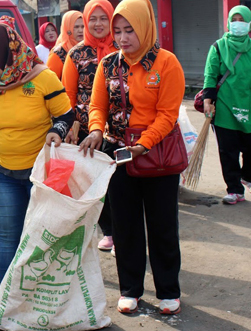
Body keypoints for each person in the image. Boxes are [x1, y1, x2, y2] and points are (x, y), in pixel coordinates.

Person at [0, 16, 74, 320]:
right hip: (4, 173)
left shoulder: (42, 78)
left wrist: (56, 131)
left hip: (40, 174)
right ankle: (6, 298)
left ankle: (45, 299)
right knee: (8, 237)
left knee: (43, 236)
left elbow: (67, 116)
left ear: (7, 53)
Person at [85, 0, 185, 315]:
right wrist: (96, 130)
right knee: (125, 226)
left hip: (158, 157)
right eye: (118, 31)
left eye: (129, 30)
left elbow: (167, 116)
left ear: (144, 27)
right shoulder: (108, 65)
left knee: (162, 226)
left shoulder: (167, 64)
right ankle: (130, 289)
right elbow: (97, 106)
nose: (123, 37)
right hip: (118, 154)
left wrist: (143, 144)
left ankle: (168, 291)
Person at [202, 5, 251, 205]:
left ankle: (248, 177)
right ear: (228, 22)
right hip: (225, 105)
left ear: (249, 23)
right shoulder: (218, 47)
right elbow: (210, 74)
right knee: (228, 150)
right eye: (234, 20)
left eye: (242, 20)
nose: (238, 24)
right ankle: (234, 189)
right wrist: (208, 100)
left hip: (249, 105)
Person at [62, 0, 117, 253]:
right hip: (88, 133)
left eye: (103, 18)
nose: (97, 24)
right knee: (95, 185)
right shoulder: (76, 54)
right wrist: (71, 132)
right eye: (92, 19)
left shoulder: (123, 48)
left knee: (120, 185)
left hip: (119, 131)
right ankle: (110, 231)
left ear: (111, 20)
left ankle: (126, 231)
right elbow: (69, 96)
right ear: (85, 22)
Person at [46, 10, 84, 79]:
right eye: (76, 27)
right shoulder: (58, 53)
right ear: (67, 28)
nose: (80, 30)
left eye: (83, 26)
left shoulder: (87, 49)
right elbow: (49, 81)